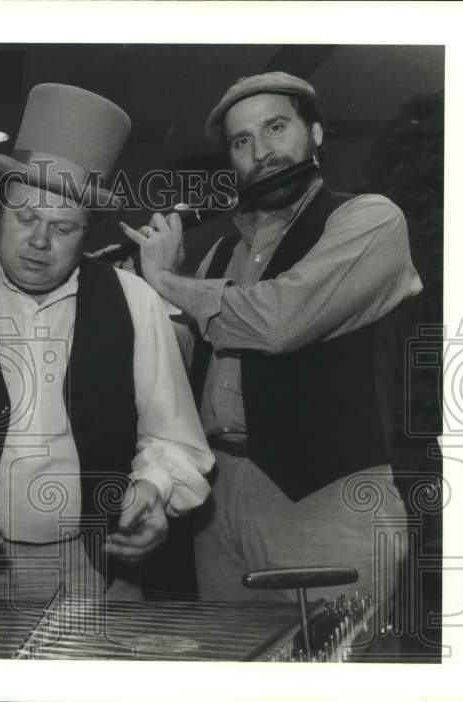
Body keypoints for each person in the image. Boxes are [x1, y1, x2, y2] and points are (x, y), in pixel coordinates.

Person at [0, 83, 214, 601]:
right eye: (26, 218)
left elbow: (174, 439)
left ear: (87, 233)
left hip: (100, 566)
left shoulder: (134, 301)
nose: (39, 240)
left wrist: (153, 490)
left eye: (62, 226)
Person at [121, 72, 423, 603]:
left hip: (328, 497)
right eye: (242, 142)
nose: (261, 152)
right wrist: (140, 296)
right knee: (236, 670)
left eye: (276, 128)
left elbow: (280, 321)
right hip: (220, 499)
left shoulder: (368, 219)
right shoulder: (217, 256)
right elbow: (179, 366)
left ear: (317, 134)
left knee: (330, 670)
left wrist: (168, 279)